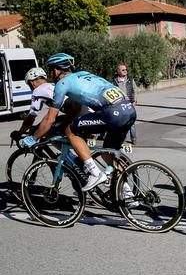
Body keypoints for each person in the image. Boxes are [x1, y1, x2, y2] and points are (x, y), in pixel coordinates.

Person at [20, 53, 136, 192]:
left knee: (71, 130)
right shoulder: (84, 74)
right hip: (129, 111)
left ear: (56, 70)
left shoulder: (62, 83)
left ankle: (94, 172)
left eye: (50, 70)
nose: (50, 74)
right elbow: (75, 108)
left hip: (111, 113)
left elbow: (49, 119)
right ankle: (127, 193)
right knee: (107, 154)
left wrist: (33, 138)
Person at [115, 62, 138, 144]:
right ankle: (122, 139)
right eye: (123, 70)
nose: (125, 71)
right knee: (121, 123)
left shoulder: (130, 80)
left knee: (131, 122)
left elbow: (135, 90)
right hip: (119, 105)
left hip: (130, 104)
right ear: (119, 71)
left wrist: (134, 101)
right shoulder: (114, 82)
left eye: (126, 69)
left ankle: (134, 139)